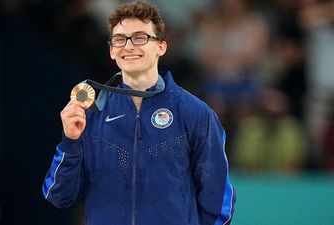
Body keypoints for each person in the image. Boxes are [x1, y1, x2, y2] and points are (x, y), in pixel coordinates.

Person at [42, 1, 235, 225]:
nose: (129, 46)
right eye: (120, 39)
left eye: (140, 37)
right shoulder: (92, 115)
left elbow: (219, 200)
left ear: (161, 47)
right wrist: (70, 142)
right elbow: (59, 195)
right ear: (112, 50)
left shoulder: (195, 113)